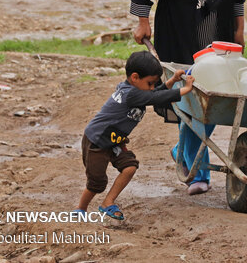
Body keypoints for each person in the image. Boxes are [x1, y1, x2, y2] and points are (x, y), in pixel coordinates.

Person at [130, 0, 247, 195]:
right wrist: (143, 20)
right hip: (180, 44)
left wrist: (239, 31)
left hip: (216, 47)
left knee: (213, 103)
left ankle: (181, 150)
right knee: (196, 107)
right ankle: (199, 175)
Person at [75, 51, 194, 220]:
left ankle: (107, 203)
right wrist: (185, 90)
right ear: (135, 77)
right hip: (97, 141)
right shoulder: (130, 94)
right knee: (96, 184)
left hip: (114, 141)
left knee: (130, 166)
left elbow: (153, 94)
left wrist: (172, 81)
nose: (152, 87)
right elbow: (156, 96)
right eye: (150, 83)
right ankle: (81, 209)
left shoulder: (136, 90)